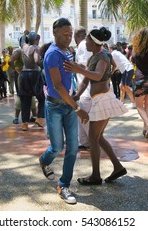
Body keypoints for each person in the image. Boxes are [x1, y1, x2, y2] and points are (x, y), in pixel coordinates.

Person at [64, 27, 128, 185]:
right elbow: (87, 80)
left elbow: (98, 75)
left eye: (87, 40)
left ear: (93, 42)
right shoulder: (97, 56)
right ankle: (117, 167)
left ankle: (96, 176)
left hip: (102, 100)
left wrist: (80, 69)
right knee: (98, 138)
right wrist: (77, 95)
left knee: (93, 139)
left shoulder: (101, 57)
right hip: (101, 99)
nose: (85, 43)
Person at [39, 18, 89, 204]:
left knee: (73, 148)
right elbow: (58, 86)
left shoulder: (67, 51)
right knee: (57, 147)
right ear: (55, 33)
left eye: (71, 34)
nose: (69, 38)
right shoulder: (52, 54)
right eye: (65, 35)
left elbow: (70, 70)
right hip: (55, 106)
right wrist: (77, 109)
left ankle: (64, 185)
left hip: (68, 103)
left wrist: (80, 68)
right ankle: (44, 160)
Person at [131, 28, 148, 139]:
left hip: (140, 79)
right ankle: (145, 128)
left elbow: (133, 61)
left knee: (139, 105)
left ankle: (147, 124)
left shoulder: (135, 49)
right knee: (147, 104)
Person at [18, 32, 45, 131]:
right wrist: (44, 65)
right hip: (34, 74)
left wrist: (24, 35)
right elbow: (37, 60)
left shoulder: (24, 47)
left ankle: (24, 123)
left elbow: (21, 40)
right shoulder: (36, 48)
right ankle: (39, 117)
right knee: (41, 98)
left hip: (24, 74)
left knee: (25, 99)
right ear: (36, 40)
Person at [74, 26, 92, 150]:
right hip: (84, 88)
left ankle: (92, 141)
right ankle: (84, 141)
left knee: (84, 117)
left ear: (76, 36)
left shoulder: (83, 45)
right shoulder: (85, 45)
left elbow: (86, 66)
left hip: (86, 89)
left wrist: (72, 65)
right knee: (80, 116)